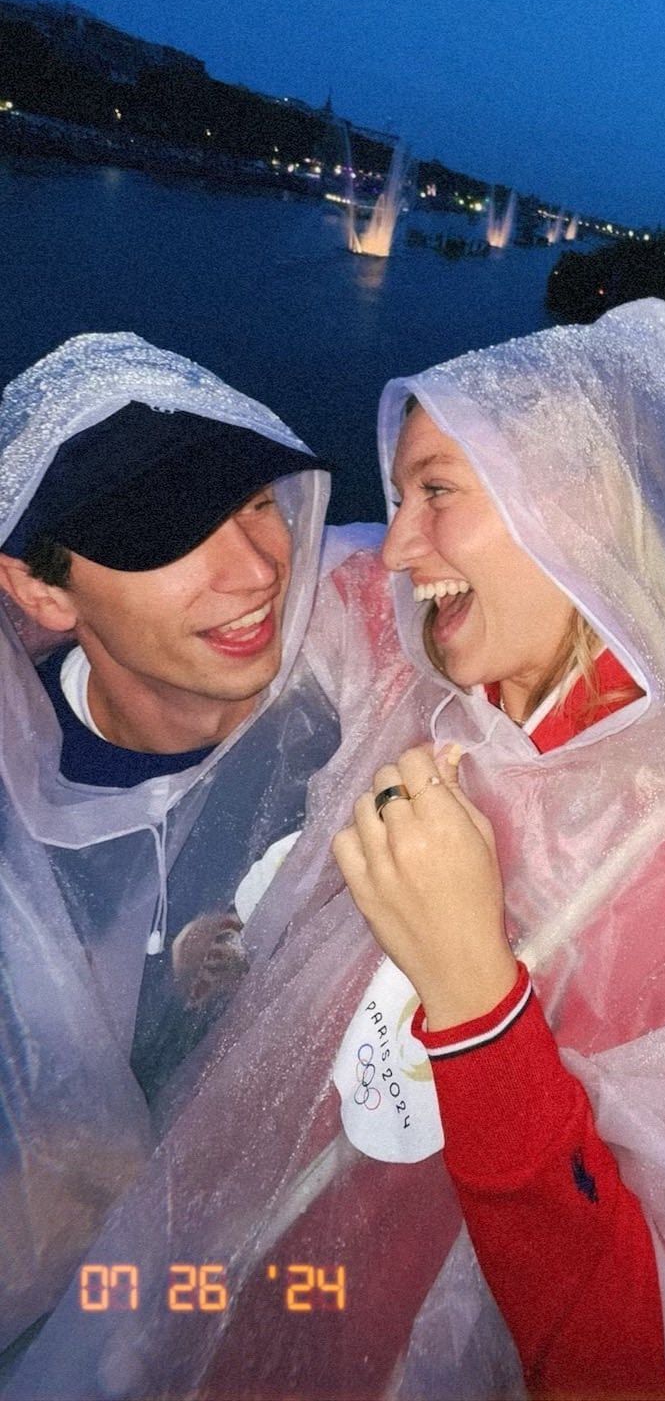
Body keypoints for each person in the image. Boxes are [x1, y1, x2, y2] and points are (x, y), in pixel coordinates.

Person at [8, 303, 665, 1401]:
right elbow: (189, 616)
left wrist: (477, 1003)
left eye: (436, 492)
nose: (397, 544)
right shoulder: (421, 671)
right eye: (398, 498)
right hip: (213, 1316)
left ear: (578, 504)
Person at [0, 331, 399, 1365]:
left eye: (258, 502)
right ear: (43, 592)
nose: (258, 569)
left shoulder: (362, 689)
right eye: (169, 537)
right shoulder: (18, 838)